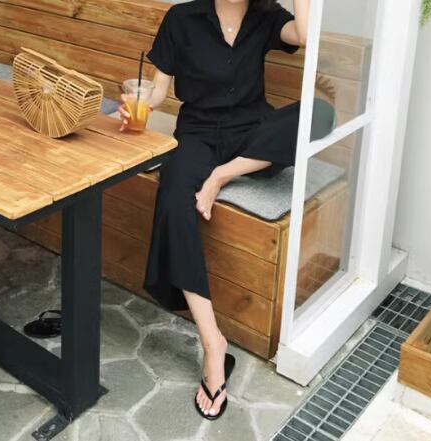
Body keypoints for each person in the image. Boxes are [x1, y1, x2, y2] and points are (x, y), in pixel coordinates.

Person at [118, 0, 310, 420]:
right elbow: (159, 90)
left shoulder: (266, 16)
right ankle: (213, 343)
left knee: (318, 114)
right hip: (198, 132)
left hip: (251, 135)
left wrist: (220, 174)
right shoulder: (181, 17)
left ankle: (222, 175)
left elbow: (305, 35)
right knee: (173, 197)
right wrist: (137, 104)